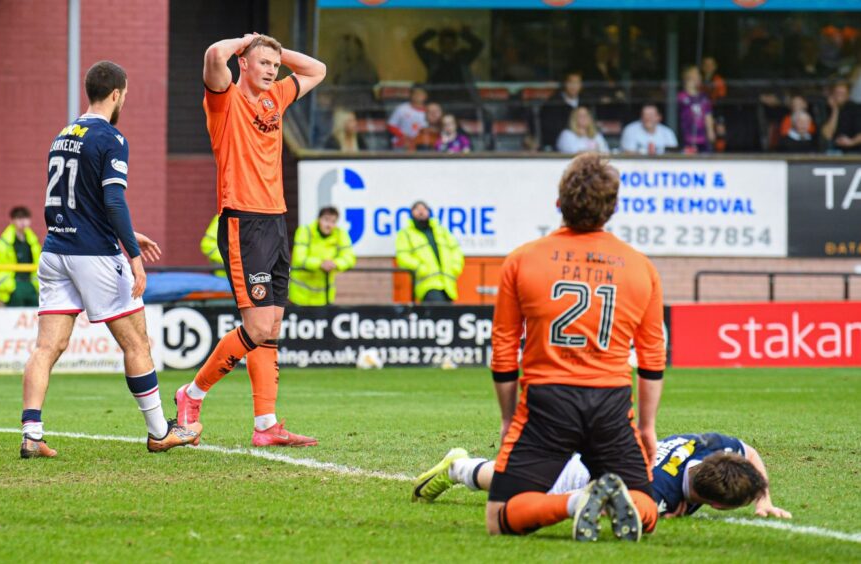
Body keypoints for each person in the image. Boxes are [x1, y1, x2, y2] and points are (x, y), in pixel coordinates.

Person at [20, 61, 200, 458]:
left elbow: (75, 199)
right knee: (137, 341)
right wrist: (133, 255)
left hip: (55, 251)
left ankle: (32, 434)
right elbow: (113, 199)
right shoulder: (111, 138)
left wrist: (126, 234)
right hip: (93, 256)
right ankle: (160, 432)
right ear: (117, 94)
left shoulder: (62, 135)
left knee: (46, 347)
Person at [482, 153, 665, 542]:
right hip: (612, 404)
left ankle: (573, 503)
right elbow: (652, 357)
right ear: (613, 208)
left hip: (547, 403)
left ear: (559, 202)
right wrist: (647, 426)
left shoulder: (522, 260)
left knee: (499, 518)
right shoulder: (640, 267)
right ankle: (627, 506)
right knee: (645, 502)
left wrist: (507, 417)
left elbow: (503, 348)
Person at [175, 33, 326, 447]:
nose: (271, 71)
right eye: (262, 64)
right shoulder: (224, 98)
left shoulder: (275, 96)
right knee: (257, 326)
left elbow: (317, 69)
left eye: (274, 66)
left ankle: (266, 425)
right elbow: (212, 54)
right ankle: (191, 395)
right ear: (243, 63)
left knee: (272, 326)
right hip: (244, 220)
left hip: (276, 220)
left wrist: (273, 50)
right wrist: (245, 42)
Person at [413, 433, 792, 521]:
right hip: (581, 473)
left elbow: (749, 452)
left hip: (604, 452)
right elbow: (612, 509)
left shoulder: (705, 448)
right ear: (716, 504)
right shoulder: (657, 495)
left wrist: (765, 499)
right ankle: (457, 467)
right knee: (511, 487)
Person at [395, 201, 464, 303]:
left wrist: (455, 267)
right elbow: (403, 257)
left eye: (424, 209)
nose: (421, 212)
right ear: (411, 213)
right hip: (427, 284)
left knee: (446, 315)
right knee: (438, 311)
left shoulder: (441, 231)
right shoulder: (406, 233)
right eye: (417, 209)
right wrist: (420, 268)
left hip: (447, 284)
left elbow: (456, 251)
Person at [289, 207, 356, 306]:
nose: (329, 225)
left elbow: (349, 258)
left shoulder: (340, 233)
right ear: (319, 219)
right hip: (300, 295)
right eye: (326, 220)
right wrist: (320, 264)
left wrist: (335, 263)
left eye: (333, 221)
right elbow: (299, 258)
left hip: (324, 296)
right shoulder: (305, 231)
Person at [0, 207, 42, 307]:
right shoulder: (0, 244)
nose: (22, 222)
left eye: (25, 218)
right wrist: (10, 287)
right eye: (19, 218)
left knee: (34, 319)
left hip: (31, 286)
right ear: (12, 220)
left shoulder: (34, 243)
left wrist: (36, 286)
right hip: (14, 287)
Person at [412, 26, 483, 102]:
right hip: (437, 100)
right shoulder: (433, 59)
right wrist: (432, 32)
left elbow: (478, 45)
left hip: (461, 100)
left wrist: (464, 34)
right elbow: (417, 44)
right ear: (440, 44)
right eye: (444, 43)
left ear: (455, 44)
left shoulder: (463, 59)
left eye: (450, 43)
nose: (448, 46)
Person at [537, 71, 583, 150]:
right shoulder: (553, 103)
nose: (573, 86)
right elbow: (548, 128)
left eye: (576, 83)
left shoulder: (586, 101)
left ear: (581, 85)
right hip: (559, 146)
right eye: (570, 82)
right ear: (565, 84)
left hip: (584, 142)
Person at [677, 65, 716, 153]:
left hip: (702, 138)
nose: (699, 77)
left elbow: (707, 115)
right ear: (687, 78)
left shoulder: (703, 97)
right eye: (695, 75)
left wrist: (710, 130)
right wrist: (689, 88)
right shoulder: (682, 96)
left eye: (698, 75)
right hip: (686, 137)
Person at [821, 82, 850, 147]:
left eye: (842, 94)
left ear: (847, 96)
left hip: (854, 150)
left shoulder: (855, 108)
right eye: (837, 93)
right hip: (831, 150)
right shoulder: (824, 109)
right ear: (832, 95)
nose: (839, 96)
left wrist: (851, 142)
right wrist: (835, 109)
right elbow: (827, 135)